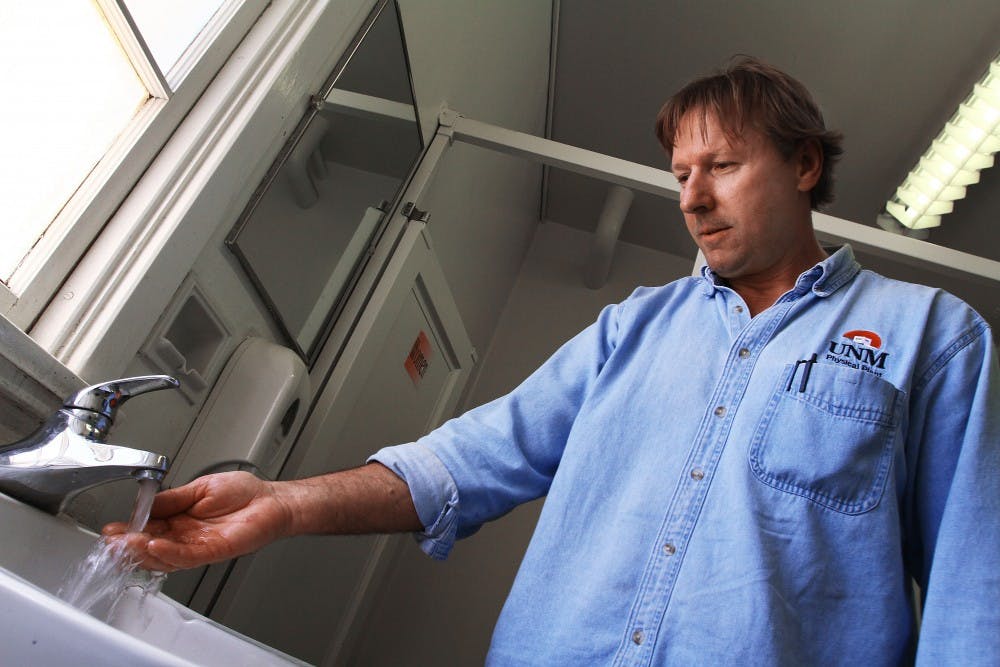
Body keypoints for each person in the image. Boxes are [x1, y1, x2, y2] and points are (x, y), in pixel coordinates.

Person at [106, 57, 1000, 664]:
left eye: (721, 165)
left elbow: (973, 589)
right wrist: (282, 503)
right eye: (679, 173)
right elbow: (471, 457)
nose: (691, 197)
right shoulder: (631, 328)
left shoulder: (931, 335)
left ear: (804, 164)